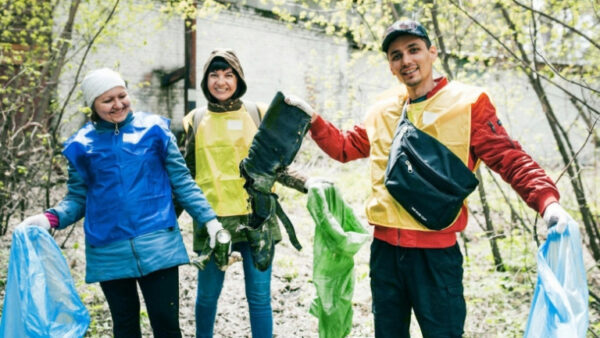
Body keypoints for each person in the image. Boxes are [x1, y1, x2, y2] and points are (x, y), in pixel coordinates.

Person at [286, 20, 571, 337]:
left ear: (432, 53)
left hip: (435, 256)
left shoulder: (468, 104)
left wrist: (547, 202)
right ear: (391, 67)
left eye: (413, 50)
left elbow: (509, 157)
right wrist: (312, 119)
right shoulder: (382, 109)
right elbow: (344, 147)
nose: (406, 60)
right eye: (396, 55)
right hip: (384, 254)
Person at [20, 68, 223, 338]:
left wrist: (209, 220)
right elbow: (77, 198)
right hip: (108, 250)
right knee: (125, 327)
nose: (118, 104)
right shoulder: (82, 145)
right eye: (107, 100)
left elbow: (183, 182)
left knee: (166, 325)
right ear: (93, 104)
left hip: (158, 245)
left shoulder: (155, 131)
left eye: (122, 95)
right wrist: (50, 219)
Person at [180, 48, 307, 338]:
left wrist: (308, 184)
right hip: (212, 223)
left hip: (257, 219)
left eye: (228, 74)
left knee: (259, 299)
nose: (221, 81)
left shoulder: (259, 113)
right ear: (205, 80)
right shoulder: (195, 120)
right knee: (207, 299)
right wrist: (167, 219)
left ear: (239, 79)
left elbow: (278, 166)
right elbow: (183, 176)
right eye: (215, 74)